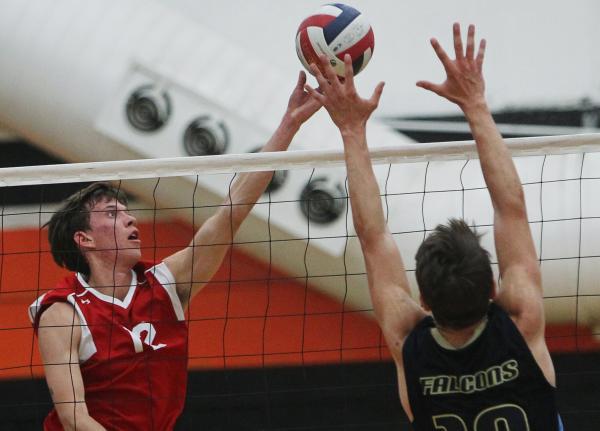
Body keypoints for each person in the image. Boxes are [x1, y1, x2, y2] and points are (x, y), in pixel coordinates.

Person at [29, 71, 322, 430]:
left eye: (126, 211)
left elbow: (230, 215)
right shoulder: (62, 312)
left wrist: (288, 127)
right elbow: (74, 418)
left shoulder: (165, 284)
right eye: (112, 214)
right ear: (84, 239)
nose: (130, 219)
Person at [305, 23, 563, 430]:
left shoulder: (410, 345)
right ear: (494, 289)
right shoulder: (522, 322)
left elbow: (373, 238)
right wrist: (475, 104)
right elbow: (511, 208)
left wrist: (351, 130)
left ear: (423, 300)